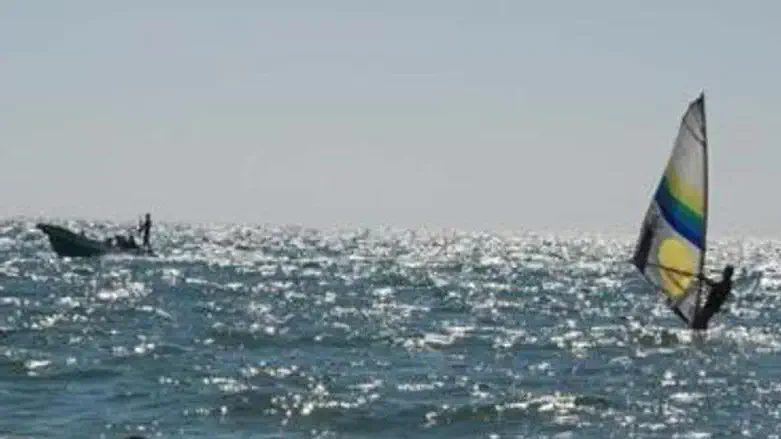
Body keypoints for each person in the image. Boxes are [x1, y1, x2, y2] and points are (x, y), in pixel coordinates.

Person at [690, 265, 734, 330]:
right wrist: (704, 278)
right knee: (700, 322)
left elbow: (715, 285)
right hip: (710, 305)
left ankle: (700, 336)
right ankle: (701, 337)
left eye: (726, 272)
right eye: (725, 271)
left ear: (729, 274)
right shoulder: (725, 282)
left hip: (712, 307)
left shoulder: (727, 284)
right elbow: (714, 285)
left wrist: (703, 278)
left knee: (699, 321)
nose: (724, 273)